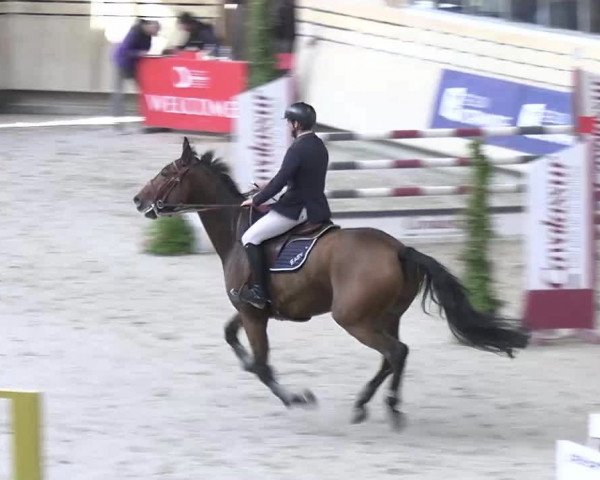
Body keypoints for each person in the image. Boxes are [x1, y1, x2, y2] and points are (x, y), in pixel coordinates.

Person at [238, 102, 331, 309]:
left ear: (296, 124)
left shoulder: (296, 149)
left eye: (289, 122)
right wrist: (266, 185)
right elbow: (301, 176)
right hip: (317, 207)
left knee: (250, 237)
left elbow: (281, 181)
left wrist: (256, 199)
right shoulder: (319, 145)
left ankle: (259, 293)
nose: (288, 126)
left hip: (295, 210)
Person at [111, 19, 160, 121]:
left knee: (143, 90)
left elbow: (146, 49)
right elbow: (125, 51)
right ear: (149, 26)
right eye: (155, 30)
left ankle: (146, 115)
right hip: (123, 63)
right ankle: (117, 119)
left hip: (135, 65)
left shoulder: (147, 36)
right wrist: (138, 53)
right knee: (119, 93)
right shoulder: (135, 33)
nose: (155, 33)